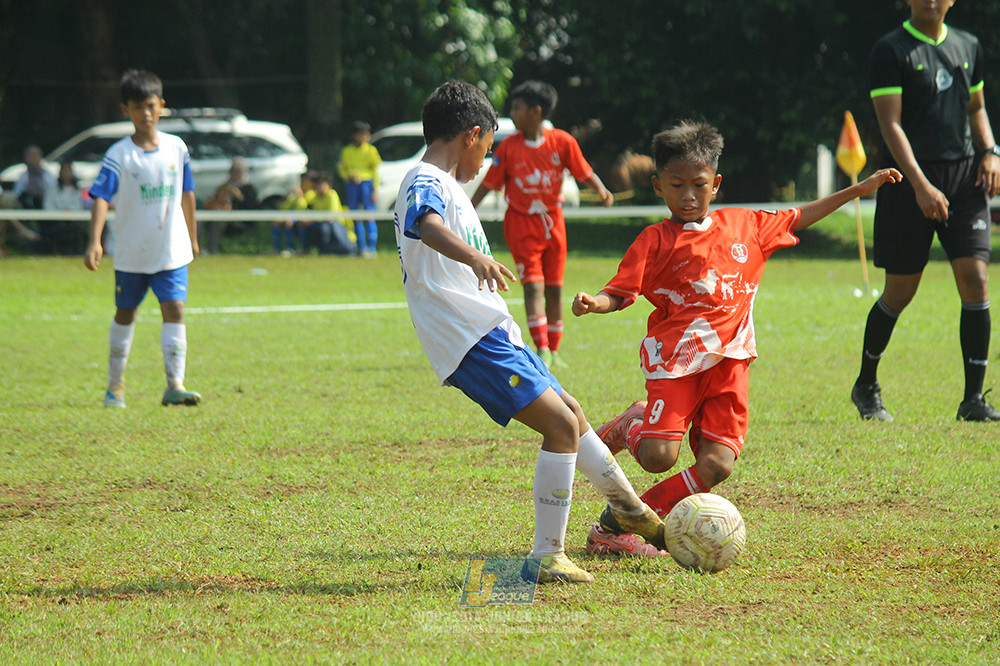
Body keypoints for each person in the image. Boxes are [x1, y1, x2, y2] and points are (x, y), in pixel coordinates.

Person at [572, 121, 901, 551]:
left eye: (698, 185)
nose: (688, 195)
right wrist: (595, 303)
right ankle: (634, 423)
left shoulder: (748, 226)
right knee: (657, 458)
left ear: (716, 184)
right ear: (657, 186)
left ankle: (620, 525)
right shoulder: (655, 240)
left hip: (731, 364)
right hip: (677, 363)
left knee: (717, 465)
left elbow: (801, 214)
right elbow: (621, 292)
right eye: (676, 185)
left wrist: (857, 191)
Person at [395, 80, 667, 583]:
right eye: (490, 147)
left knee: (572, 413)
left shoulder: (444, 181)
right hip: (471, 338)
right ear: (471, 135)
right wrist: (477, 255)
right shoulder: (425, 178)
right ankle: (547, 556)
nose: (488, 159)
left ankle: (629, 509)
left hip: (493, 330)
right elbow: (424, 223)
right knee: (559, 428)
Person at [852, 0, 1000, 423]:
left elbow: (977, 107)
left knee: (976, 279)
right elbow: (890, 124)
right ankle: (865, 386)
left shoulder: (969, 45)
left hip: (964, 181)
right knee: (901, 291)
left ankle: (973, 400)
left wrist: (990, 152)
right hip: (907, 184)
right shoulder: (891, 49)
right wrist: (920, 186)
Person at [470, 80, 614, 369]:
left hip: (554, 225)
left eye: (517, 107)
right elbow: (489, 183)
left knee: (555, 289)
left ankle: (555, 348)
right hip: (521, 225)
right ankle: (542, 348)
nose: (512, 112)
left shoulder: (562, 142)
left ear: (536, 112)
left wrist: (601, 191)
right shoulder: (509, 147)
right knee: (533, 287)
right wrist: (468, 209)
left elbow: (583, 170)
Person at [83, 69, 202, 409]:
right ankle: (114, 387)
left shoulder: (177, 148)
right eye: (138, 107)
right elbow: (102, 197)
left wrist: (192, 237)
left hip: (171, 249)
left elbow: (187, 194)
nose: (145, 113)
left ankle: (174, 384)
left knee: (175, 308)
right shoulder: (119, 155)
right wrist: (95, 241)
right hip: (133, 251)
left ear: (162, 105)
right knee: (125, 313)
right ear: (125, 110)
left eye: (151, 105)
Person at [338, 120, 382, 258]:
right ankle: (361, 247)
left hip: (366, 184)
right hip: (352, 185)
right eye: (361, 134)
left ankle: (372, 247)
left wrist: (375, 189)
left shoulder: (371, 150)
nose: (364, 137)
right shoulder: (347, 151)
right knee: (355, 215)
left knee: (369, 215)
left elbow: (375, 170)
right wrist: (348, 176)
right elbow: (341, 168)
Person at [202, 157, 259, 254]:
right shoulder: (224, 187)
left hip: (240, 220)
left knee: (218, 221)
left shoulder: (249, 189)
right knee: (200, 220)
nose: (234, 174)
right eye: (232, 171)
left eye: (237, 171)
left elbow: (252, 208)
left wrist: (237, 197)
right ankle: (196, 248)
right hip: (221, 217)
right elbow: (216, 201)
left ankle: (212, 249)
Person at [41, 160, 91, 255]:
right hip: (56, 224)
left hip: (73, 224)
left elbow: (79, 208)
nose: (66, 174)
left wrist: (70, 211)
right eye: (64, 171)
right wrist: (60, 212)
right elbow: (48, 208)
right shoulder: (52, 191)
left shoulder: (77, 192)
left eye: (68, 170)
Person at [308, 170, 355, 255]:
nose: (319, 188)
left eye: (322, 185)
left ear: (329, 186)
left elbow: (331, 217)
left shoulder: (331, 195)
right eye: (318, 186)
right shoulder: (316, 197)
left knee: (325, 228)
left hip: (337, 224)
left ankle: (327, 250)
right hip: (322, 222)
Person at [276, 170, 317, 255]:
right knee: (276, 222)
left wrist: (300, 196)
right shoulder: (297, 195)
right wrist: (286, 196)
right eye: (301, 182)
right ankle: (276, 248)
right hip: (296, 217)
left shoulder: (312, 194)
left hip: (307, 219)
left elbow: (302, 206)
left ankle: (294, 248)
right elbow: (285, 207)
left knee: (290, 223)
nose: (302, 184)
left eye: (305, 182)